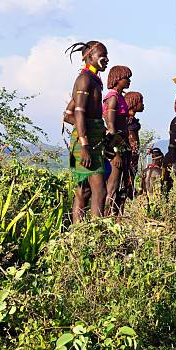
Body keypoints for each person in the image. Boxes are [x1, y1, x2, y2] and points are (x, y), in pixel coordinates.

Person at [65, 41, 109, 222]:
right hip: (86, 143)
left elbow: (68, 114)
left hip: (92, 139)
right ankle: (96, 234)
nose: (106, 59)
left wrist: (100, 131)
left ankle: (79, 235)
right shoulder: (84, 80)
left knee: (85, 191)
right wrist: (85, 144)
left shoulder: (93, 80)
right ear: (89, 57)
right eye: (102, 55)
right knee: (100, 189)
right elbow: (78, 112)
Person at [103, 66, 133, 216]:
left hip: (122, 144)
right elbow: (111, 126)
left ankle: (117, 220)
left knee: (121, 186)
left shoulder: (120, 97)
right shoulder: (112, 98)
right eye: (126, 78)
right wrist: (116, 153)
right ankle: (105, 220)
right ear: (117, 79)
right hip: (116, 145)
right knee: (112, 187)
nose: (129, 81)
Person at [124, 91, 145, 181]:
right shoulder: (127, 119)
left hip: (133, 153)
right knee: (129, 176)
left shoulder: (132, 120)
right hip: (129, 154)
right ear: (133, 103)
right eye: (141, 102)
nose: (143, 105)